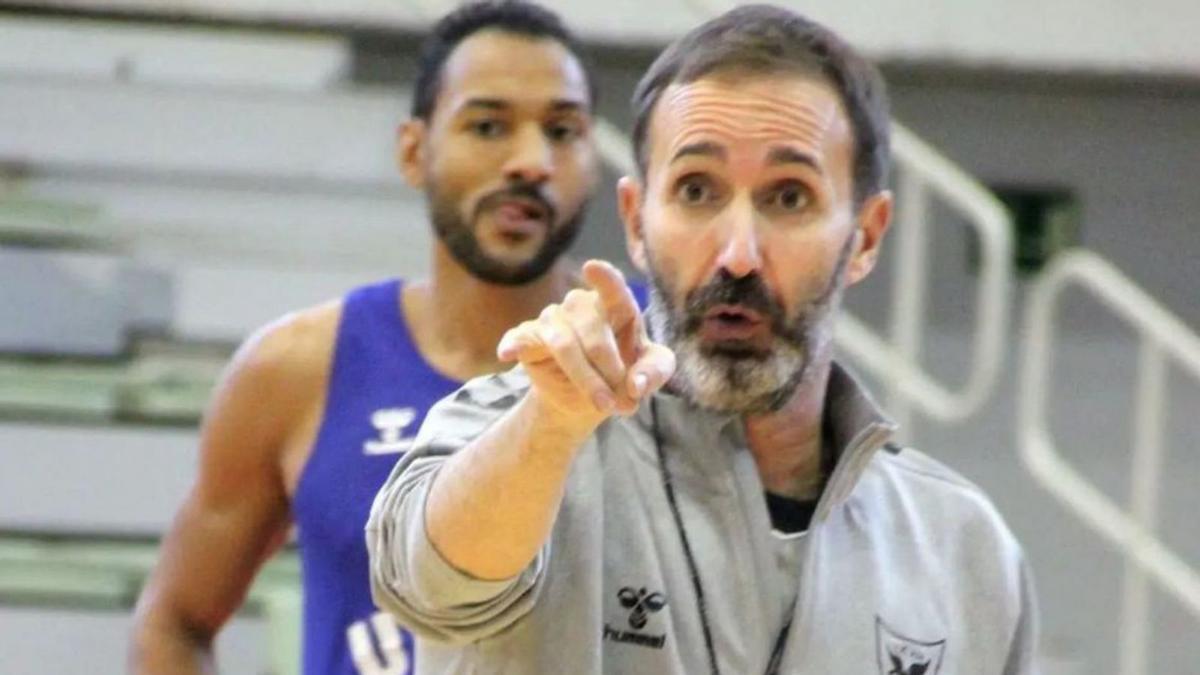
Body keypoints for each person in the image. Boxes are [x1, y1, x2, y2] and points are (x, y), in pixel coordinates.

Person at [366, 5, 1040, 674]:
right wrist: (548, 427)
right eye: (696, 189)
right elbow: (433, 583)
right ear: (635, 220)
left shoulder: (964, 549)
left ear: (864, 235)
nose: (738, 254)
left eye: (788, 197)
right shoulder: (524, 432)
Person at [129, 2, 608, 673]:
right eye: (489, 125)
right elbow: (173, 620)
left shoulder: (654, 364)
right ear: (415, 150)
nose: (531, 160)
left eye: (562, 129)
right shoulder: (294, 370)